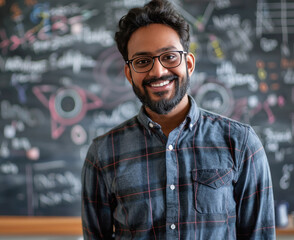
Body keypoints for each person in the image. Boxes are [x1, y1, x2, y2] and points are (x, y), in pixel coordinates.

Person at [81, 0, 276, 239]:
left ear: (189, 63)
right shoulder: (103, 154)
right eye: (142, 61)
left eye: (170, 57)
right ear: (129, 74)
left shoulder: (241, 143)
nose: (158, 72)